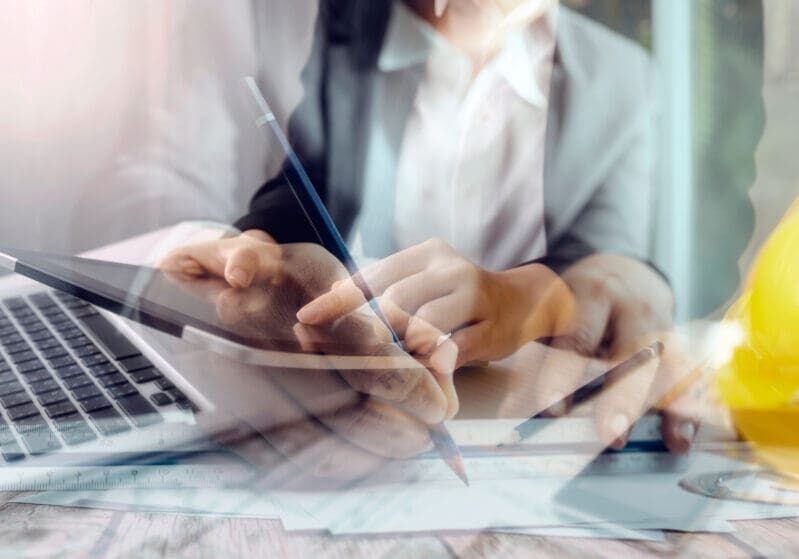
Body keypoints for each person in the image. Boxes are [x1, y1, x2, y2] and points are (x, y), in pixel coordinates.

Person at [163, 0, 694, 469]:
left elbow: (605, 256)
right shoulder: (351, 23)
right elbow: (311, 178)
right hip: (362, 393)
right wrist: (261, 241)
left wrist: (550, 295)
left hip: (507, 411)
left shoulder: (624, 76)